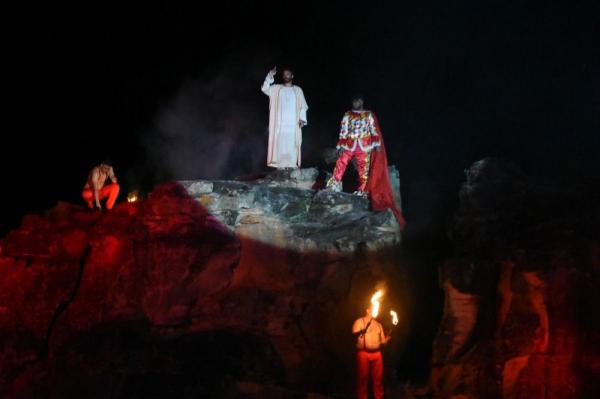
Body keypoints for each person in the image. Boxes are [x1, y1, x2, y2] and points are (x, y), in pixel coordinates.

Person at [326, 95, 406, 229]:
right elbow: (343, 130)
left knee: (364, 168)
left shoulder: (368, 115)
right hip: (349, 144)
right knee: (341, 163)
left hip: (364, 144)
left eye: (358, 100)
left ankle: (362, 190)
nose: (356, 103)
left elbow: (373, 129)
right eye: (354, 101)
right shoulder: (347, 115)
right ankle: (333, 184)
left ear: (362, 101)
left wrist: (376, 144)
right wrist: (340, 145)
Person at [261, 66, 309, 169]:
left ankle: (291, 167)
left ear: (292, 76)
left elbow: (303, 106)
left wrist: (302, 119)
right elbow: (264, 89)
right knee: (281, 145)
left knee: (292, 145)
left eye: (288, 74)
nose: (285, 76)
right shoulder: (277, 89)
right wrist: (270, 75)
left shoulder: (298, 90)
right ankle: (281, 168)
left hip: (293, 125)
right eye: (284, 74)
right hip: (280, 125)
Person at [352, 307, 391, 399]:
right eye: (372, 309)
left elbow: (382, 341)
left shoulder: (378, 325)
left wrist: (386, 340)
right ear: (367, 310)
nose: (375, 310)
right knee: (362, 378)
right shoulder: (360, 321)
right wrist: (363, 330)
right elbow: (354, 333)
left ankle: (379, 397)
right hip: (363, 353)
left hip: (377, 354)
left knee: (378, 379)